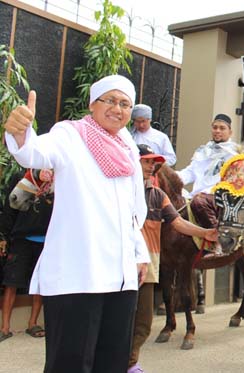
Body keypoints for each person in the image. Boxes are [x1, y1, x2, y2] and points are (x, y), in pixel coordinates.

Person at [3, 75, 149, 372]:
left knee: (112, 361)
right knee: (70, 363)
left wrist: (140, 252)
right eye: (109, 100)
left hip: (121, 276)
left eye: (124, 104)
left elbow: (134, 211)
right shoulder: (70, 134)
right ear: (92, 104)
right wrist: (21, 133)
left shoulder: (129, 147)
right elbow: (35, 152)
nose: (117, 109)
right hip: (77, 274)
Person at [128, 144, 218, 373]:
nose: (151, 167)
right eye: (146, 161)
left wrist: (205, 233)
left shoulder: (158, 196)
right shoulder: (118, 191)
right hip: (118, 265)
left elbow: (178, 223)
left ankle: (130, 363)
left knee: (143, 323)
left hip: (147, 266)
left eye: (153, 163)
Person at [0, 169, 53, 343]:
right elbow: (10, 208)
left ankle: (33, 323)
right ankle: (4, 327)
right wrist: (4, 235)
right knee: (12, 281)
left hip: (47, 238)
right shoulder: (21, 175)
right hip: (22, 236)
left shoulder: (58, 178)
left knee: (40, 283)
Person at [177, 114, 240, 251]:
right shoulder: (203, 150)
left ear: (230, 132)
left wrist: (209, 191)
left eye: (222, 128)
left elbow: (233, 181)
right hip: (198, 193)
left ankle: (218, 239)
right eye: (215, 127)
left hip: (219, 196)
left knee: (198, 201)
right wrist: (173, 179)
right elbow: (191, 172)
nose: (217, 131)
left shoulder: (235, 154)